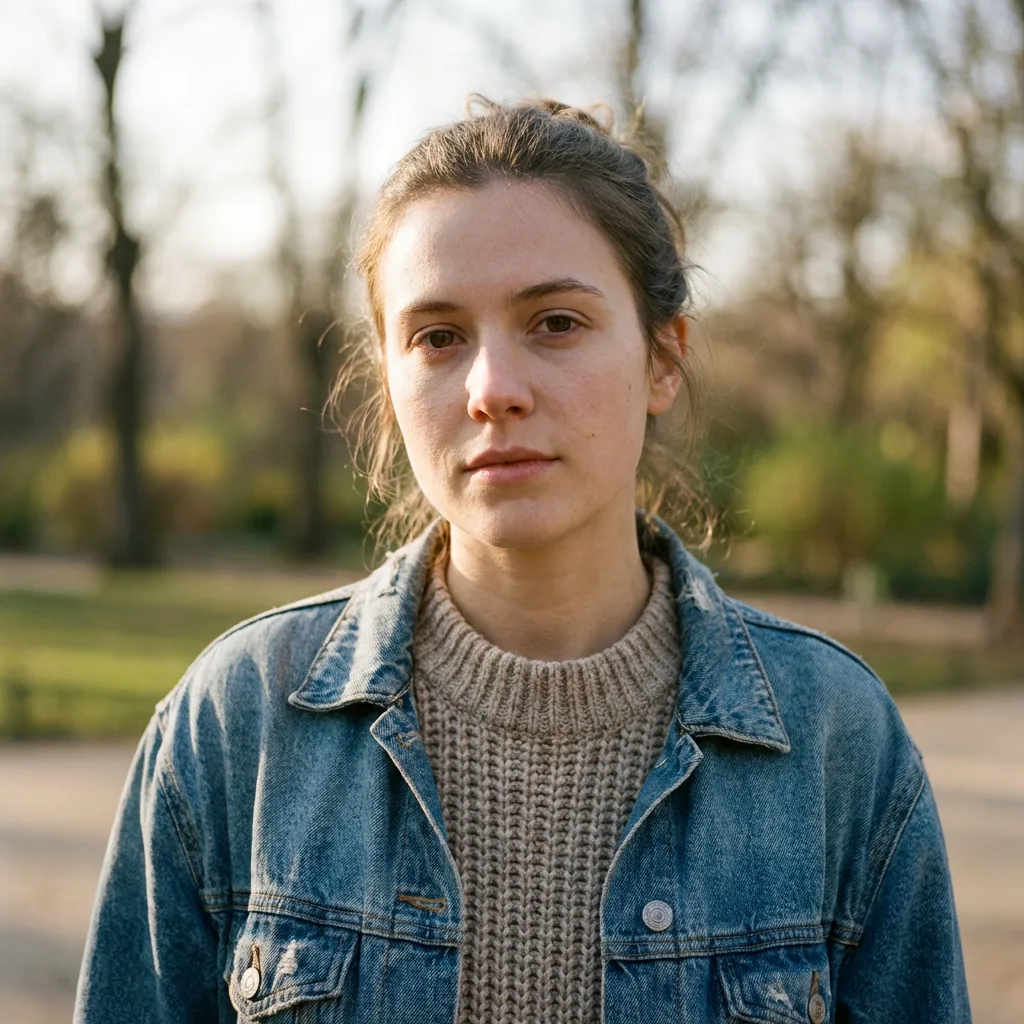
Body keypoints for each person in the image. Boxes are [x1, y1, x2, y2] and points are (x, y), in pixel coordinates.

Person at [74, 99, 970, 1024]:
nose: (493, 389)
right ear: (388, 376)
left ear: (665, 357)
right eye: (437, 336)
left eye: (555, 323)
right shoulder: (235, 728)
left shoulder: (837, 743)